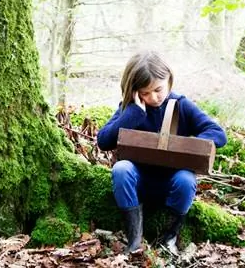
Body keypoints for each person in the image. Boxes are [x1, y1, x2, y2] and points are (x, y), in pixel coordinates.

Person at [97, 50, 227, 254]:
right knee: (121, 169)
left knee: (186, 179)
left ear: (169, 79)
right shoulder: (130, 109)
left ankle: (168, 239)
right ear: (134, 91)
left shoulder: (180, 105)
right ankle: (134, 240)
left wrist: (183, 146)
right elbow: (103, 141)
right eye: (145, 93)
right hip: (138, 181)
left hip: (172, 183)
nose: (153, 97)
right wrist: (134, 113)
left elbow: (218, 134)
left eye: (158, 89)